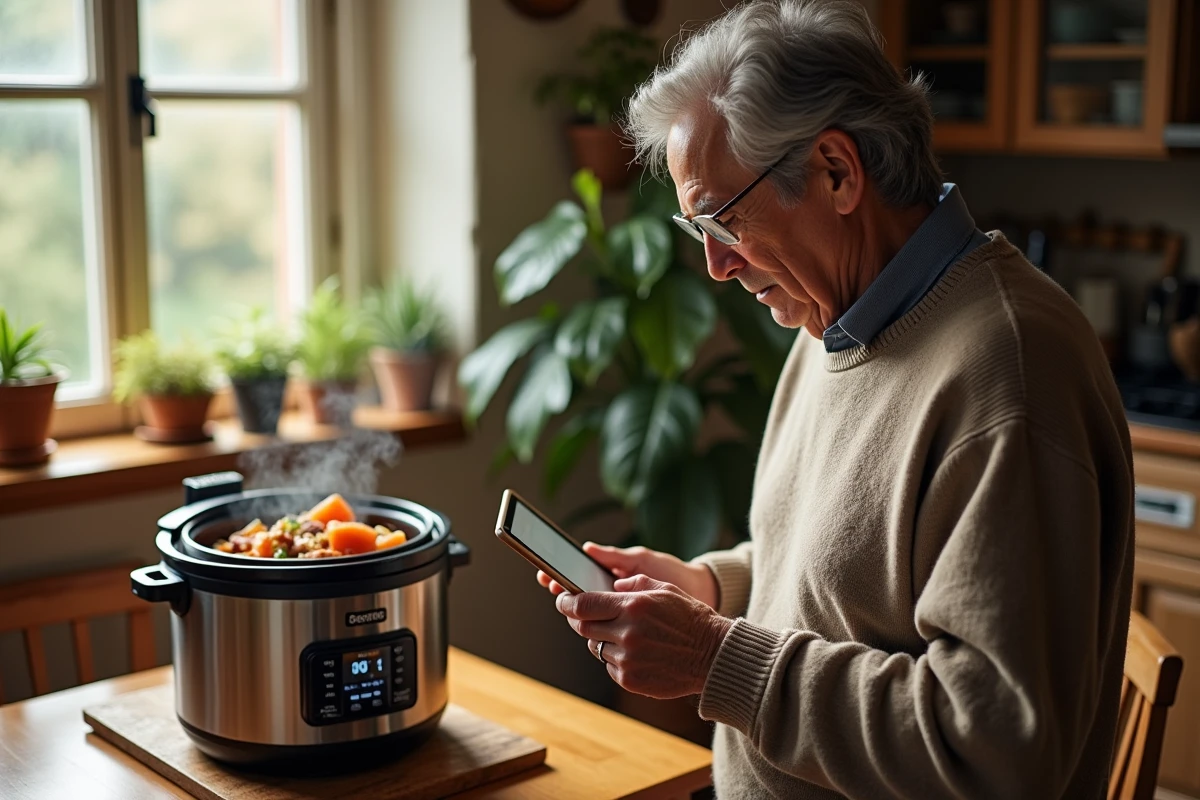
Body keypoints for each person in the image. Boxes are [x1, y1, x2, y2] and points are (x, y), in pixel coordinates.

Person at [535, 1, 1135, 797]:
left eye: (723, 221)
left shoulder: (1010, 374)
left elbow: (995, 750)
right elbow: (842, 578)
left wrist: (715, 656)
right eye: (698, 232)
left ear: (837, 172)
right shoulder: (830, 324)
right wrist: (712, 593)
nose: (716, 267)